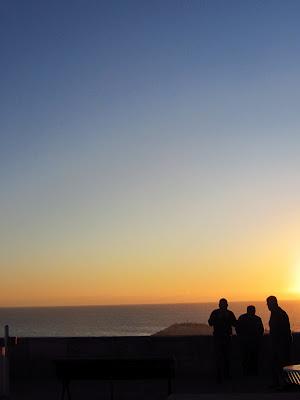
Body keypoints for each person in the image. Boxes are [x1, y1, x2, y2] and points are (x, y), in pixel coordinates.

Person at [208, 298, 237, 382]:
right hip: (219, 338)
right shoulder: (216, 313)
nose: (224, 306)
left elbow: (235, 323)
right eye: (223, 304)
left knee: (226, 357)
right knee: (220, 357)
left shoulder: (228, 313)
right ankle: (220, 375)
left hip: (225, 338)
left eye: (224, 304)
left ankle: (225, 375)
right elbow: (210, 323)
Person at [266, 296, 292, 388]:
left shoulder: (279, 313)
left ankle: (285, 384)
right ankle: (278, 383)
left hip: (280, 344)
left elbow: (283, 330)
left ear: (273, 303)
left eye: (268, 303)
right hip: (277, 343)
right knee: (276, 364)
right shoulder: (276, 313)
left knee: (282, 364)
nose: (267, 305)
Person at [236, 305, 264, 376]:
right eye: (253, 310)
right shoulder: (257, 319)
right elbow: (261, 330)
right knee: (251, 358)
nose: (253, 312)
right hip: (250, 342)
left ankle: (248, 373)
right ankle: (252, 373)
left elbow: (238, 329)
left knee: (250, 358)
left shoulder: (242, 318)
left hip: (249, 342)